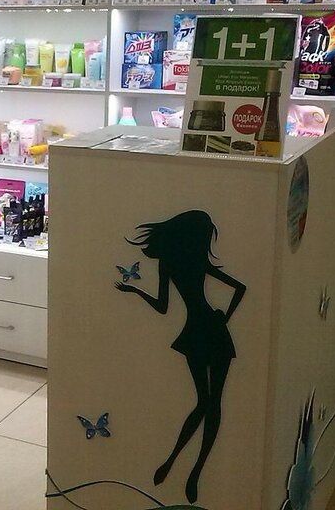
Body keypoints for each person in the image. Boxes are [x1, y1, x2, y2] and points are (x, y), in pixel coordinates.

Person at [115, 209, 246, 504]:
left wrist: (134, 290)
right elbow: (240, 288)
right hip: (213, 331)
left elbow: (162, 306)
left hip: (196, 332)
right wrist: (224, 317)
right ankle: (190, 470)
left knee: (205, 402)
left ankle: (179, 464)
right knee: (210, 404)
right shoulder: (196, 261)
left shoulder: (169, 264)